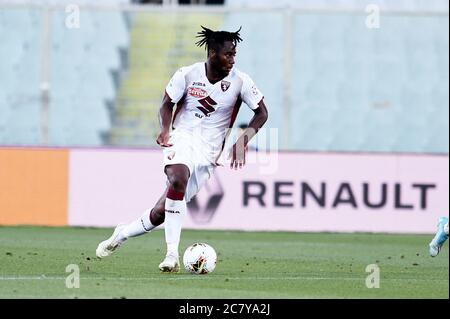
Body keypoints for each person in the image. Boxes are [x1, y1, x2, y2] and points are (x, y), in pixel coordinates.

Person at [95, 26, 269, 272]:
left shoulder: (241, 81)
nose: (232, 59)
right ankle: (171, 256)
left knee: (160, 212)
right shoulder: (187, 75)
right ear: (212, 53)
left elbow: (262, 113)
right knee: (178, 178)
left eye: (234, 54)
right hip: (182, 137)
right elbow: (167, 103)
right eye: (228, 54)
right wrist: (165, 129)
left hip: (210, 153)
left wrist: (243, 141)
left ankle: (122, 233)